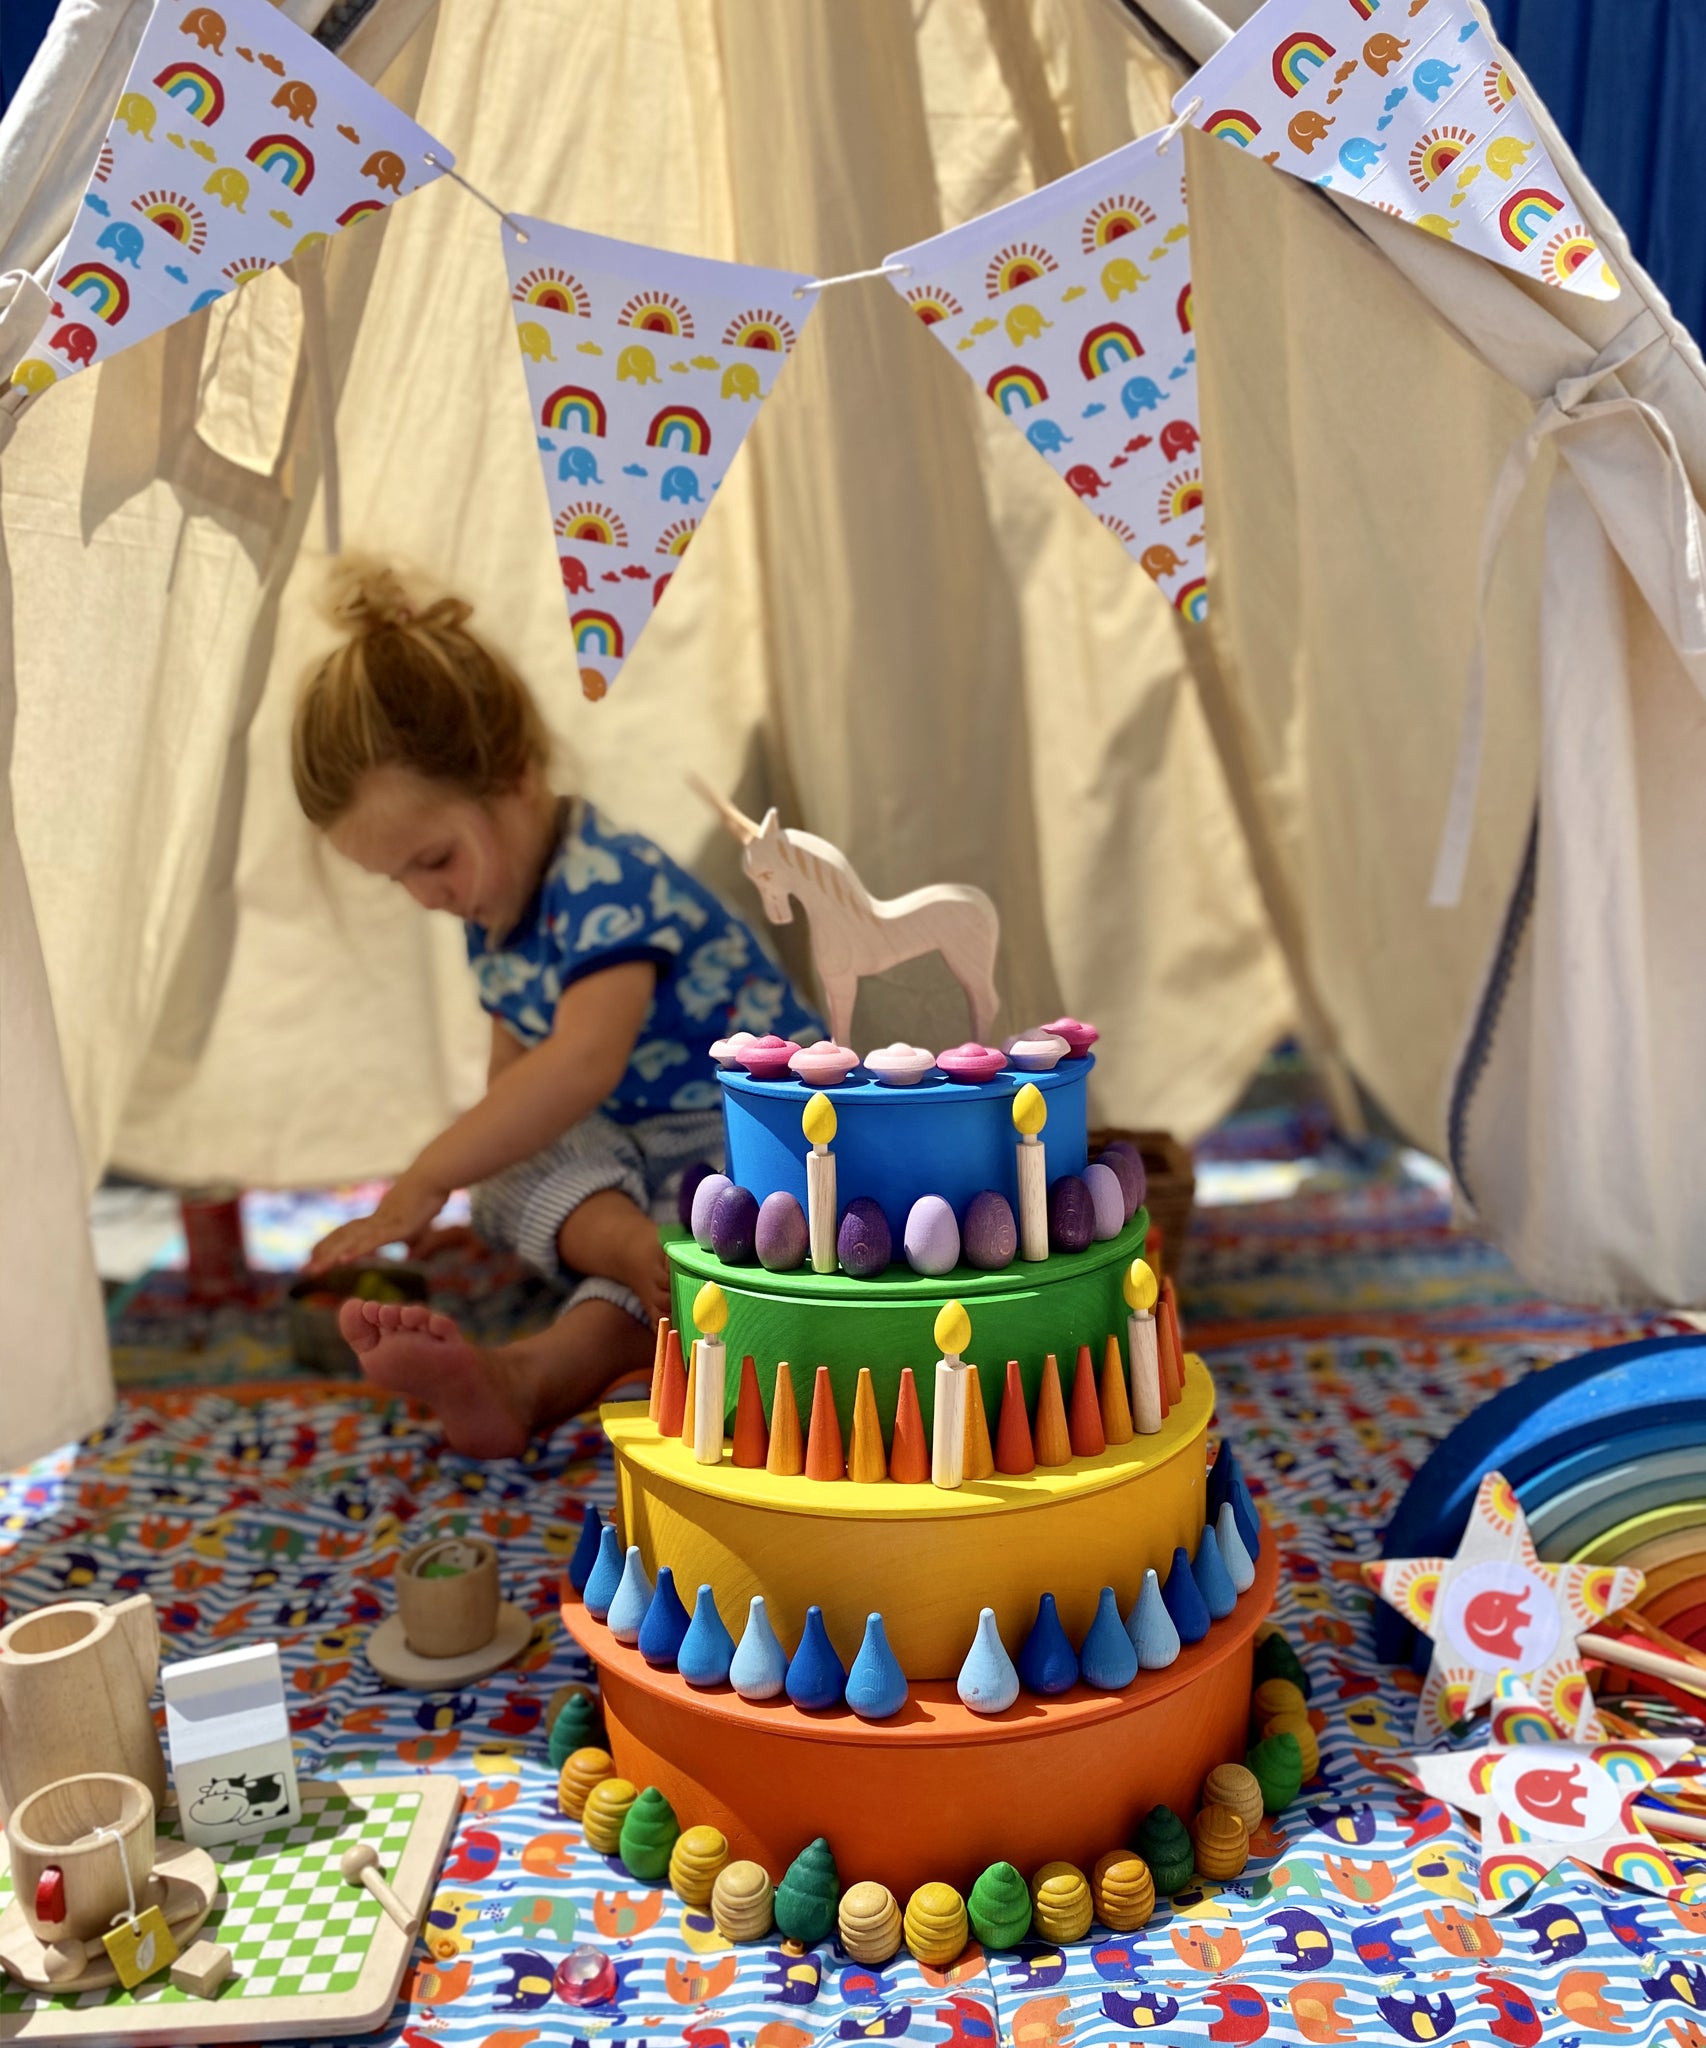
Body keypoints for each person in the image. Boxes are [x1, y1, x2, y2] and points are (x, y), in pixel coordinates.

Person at [291, 557, 821, 1455]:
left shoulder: (604, 881)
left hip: (752, 1127)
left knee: (666, 1241)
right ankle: (529, 1379)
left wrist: (426, 1178)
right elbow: (518, 1095)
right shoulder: (494, 908)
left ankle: (614, 1275)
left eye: (433, 861)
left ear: (515, 778)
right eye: (400, 880)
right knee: (529, 1184)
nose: (427, 896)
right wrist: (477, 1180)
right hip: (641, 1158)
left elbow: (582, 1062)